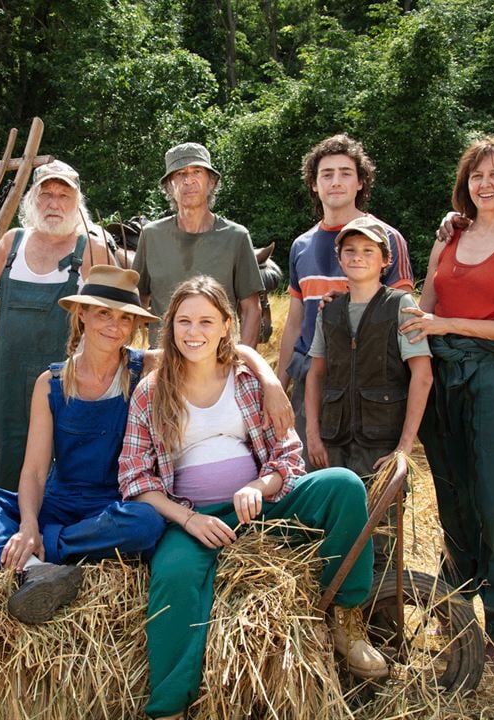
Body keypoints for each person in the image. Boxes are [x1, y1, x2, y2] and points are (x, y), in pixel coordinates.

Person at [0, 267, 292, 624]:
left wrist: (270, 379)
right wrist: (29, 522)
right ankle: (34, 565)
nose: (114, 325)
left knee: (147, 524)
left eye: (125, 318)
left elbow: (229, 348)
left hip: (115, 508)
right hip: (59, 503)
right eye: (103, 313)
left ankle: (47, 551)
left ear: (134, 326)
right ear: (82, 315)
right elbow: (33, 470)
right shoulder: (52, 382)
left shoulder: (147, 366)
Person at [119, 276, 386, 720]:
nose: (193, 332)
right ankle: (169, 704)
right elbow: (133, 478)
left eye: (206, 320)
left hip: (260, 503)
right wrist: (187, 521)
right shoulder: (152, 391)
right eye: (184, 321)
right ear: (171, 326)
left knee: (342, 484)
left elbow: (288, 453)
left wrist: (259, 486)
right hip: (195, 516)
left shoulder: (247, 379)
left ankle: (346, 618)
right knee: (174, 578)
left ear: (227, 324)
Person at [401, 136, 494, 669]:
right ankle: (455, 611)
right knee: (452, 494)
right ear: (466, 183)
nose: (485, 184)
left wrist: (450, 326)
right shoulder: (449, 238)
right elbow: (424, 314)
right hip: (443, 374)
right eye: (476, 175)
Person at [0, 160, 115, 491]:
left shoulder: (91, 248)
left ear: (78, 202)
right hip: (5, 382)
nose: (54, 203)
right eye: (46, 194)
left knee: (61, 473)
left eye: (64, 195)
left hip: (65, 383)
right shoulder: (12, 243)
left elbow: (115, 316)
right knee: (3, 466)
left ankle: (48, 538)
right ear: (32, 198)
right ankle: (1, 538)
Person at [276, 134, 414, 468]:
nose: (335, 182)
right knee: (310, 477)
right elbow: (295, 321)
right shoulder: (301, 246)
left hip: (372, 382)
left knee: (374, 487)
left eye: (345, 173)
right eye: (326, 174)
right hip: (313, 376)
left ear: (360, 182)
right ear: (313, 184)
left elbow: (404, 316)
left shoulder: (386, 239)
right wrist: (278, 384)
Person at [303, 215, 432, 481]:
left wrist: (404, 447)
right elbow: (315, 374)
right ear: (339, 258)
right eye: (349, 250)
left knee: (381, 519)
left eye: (368, 250)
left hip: (381, 442)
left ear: (386, 260)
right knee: (331, 518)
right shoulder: (328, 311)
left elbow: (423, 376)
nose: (357, 257)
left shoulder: (400, 305)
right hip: (333, 441)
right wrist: (313, 436)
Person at [133, 143, 265, 348]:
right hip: (164, 361)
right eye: (179, 174)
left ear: (211, 182)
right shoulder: (151, 236)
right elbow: (137, 298)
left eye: (197, 171)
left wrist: (241, 365)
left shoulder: (235, 237)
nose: (188, 180)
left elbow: (252, 309)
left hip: (217, 363)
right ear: (168, 186)